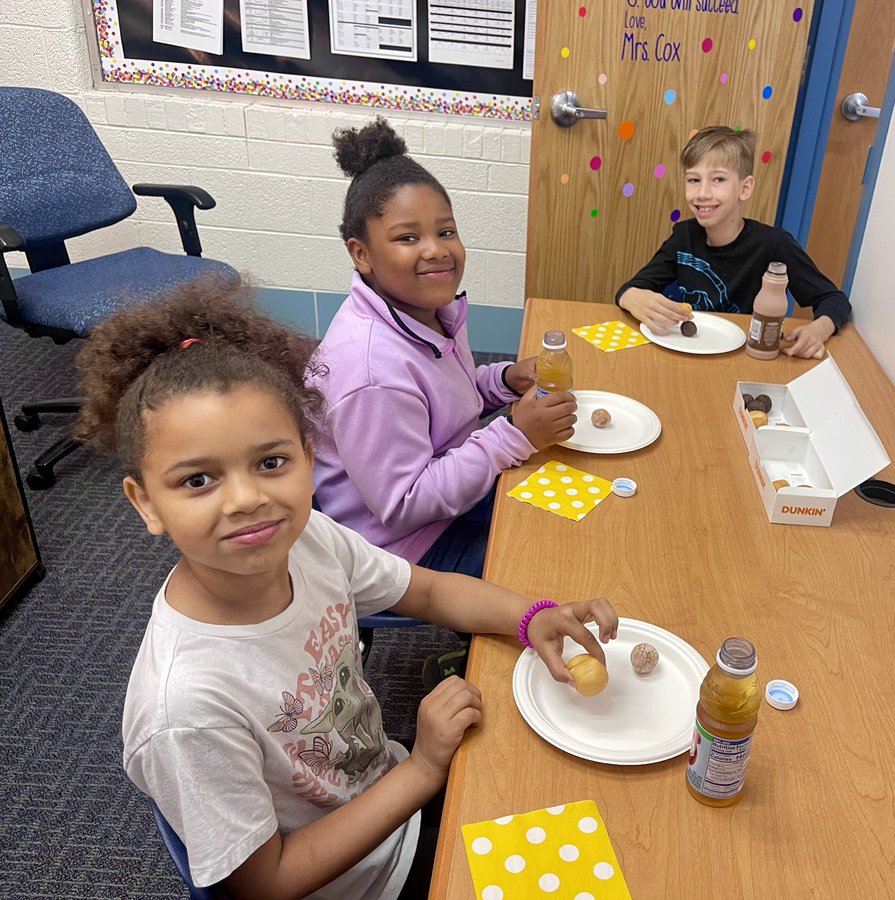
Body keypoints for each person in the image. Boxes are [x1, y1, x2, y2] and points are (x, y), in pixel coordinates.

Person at [74, 278, 617, 899]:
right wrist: (421, 769)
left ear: (310, 459)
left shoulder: (308, 541)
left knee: (566, 777)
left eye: (271, 462)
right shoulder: (188, 711)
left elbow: (431, 592)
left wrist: (531, 616)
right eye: (198, 480)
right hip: (363, 877)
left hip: (386, 789)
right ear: (145, 503)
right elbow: (265, 884)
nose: (248, 499)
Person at [309, 117, 576, 579]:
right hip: (401, 545)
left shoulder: (426, 310)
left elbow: (440, 401)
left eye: (446, 231)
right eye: (407, 237)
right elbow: (403, 504)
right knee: (543, 560)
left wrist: (503, 380)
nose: (435, 250)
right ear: (362, 254)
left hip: (445, 489)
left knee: (567, 491)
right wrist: (512, 432)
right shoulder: (372, 369)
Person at [615, 125, 852, 359]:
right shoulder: (683, 236)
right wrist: (632, 297)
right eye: (694, 180)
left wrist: (818, 330)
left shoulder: (773, 244)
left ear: (745, 188)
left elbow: (834, 300)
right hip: (684, 352)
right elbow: (632, 288)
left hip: (745, 357)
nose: (702, 193)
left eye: (718, 179)